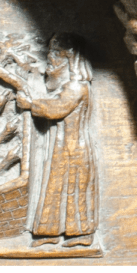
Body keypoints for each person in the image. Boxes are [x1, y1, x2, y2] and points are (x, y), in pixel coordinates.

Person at [16, 34, 98, 247]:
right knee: (54, 187)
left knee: (74, 190)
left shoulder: (76, 87)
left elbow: (56, 109)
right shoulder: (65, 86)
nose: (49, 57)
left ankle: (81, 234)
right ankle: (50, 231)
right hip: (61, 147)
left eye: (55, 53)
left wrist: (30, 105)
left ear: (69, 58)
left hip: (73, 148)